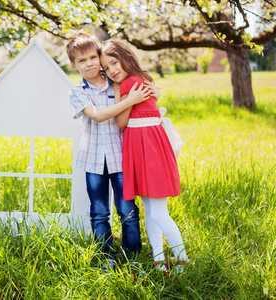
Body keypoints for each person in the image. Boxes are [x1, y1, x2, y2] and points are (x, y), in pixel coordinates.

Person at [66, 32, 158, 270]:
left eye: (92, 58)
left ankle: (132, 255)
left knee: (128, 209)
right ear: (74, 65)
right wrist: (130, 100)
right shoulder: (77, 92)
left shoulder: (116, 82)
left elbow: (144, 92)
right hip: (93, 160)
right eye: (82, 61)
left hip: (121, 157)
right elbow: (97, 116)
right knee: (99, 212)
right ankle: (106, 255)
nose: (89, 64)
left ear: (99, 57)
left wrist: (153, 94)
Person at [100, 38, 189, 274]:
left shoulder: (130, 84)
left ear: (125, 56)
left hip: (149, 152)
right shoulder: (140, 81)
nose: (111, 70)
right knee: (151, 211)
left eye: (114, 62)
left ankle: (182, 259)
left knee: (158, 211)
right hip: (146, 149)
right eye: (106, 68)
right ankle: (159, 262)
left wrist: (120, 93)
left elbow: (120, 122)